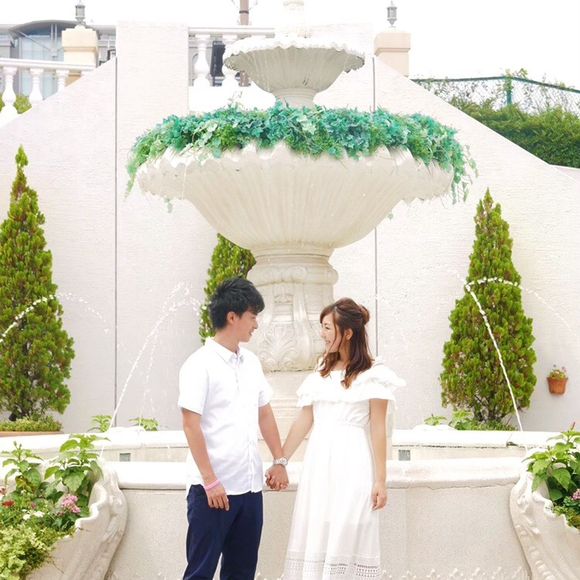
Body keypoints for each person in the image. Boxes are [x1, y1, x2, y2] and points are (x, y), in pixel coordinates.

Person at [268, 297, 404, 579]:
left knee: (348, 530)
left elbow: (378, 430)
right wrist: (281, 460)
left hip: (353, 463)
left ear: (348, 332)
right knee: (317, 530)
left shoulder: (374, 375)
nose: (322, 333)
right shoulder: (322, 372)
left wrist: (380, 481)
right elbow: (304, 420)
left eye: (327, 327)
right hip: (319, 464)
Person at [179, 277, 289, 580]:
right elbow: (190, 424)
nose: (256, 324)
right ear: (232, 317)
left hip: (250, 488)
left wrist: (279, 460)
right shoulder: (199, 365)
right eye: (252, 316)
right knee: (200, 573)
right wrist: (210, 480)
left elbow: (264, 413)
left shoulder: (251, 362)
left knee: (241, 573)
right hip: (213, 490)